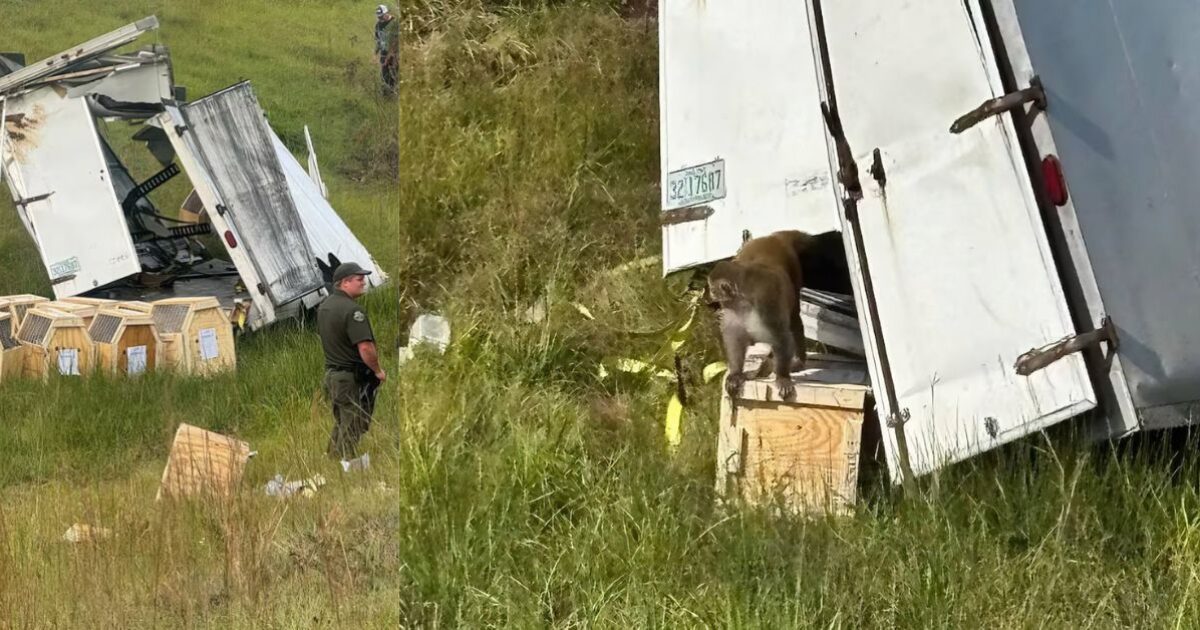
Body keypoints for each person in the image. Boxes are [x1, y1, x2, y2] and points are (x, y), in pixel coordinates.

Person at [317, 261, 386, 462]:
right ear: (345, 282)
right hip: (350, 377)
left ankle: (331, 458)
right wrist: (378, 370)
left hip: (333, 374)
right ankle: (344, 464)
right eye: (359, 279)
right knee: (354, 422)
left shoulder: (325, 307)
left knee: (342, 421)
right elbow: (365, 347)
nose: (363, 282)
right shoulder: (353, 311)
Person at [375, 4, 399, 96]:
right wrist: (375, 53)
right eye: (379, 17)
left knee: (395, 73)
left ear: (386, 13)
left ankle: (395, 93)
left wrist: (389, 56)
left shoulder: (394, 23)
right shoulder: (378, 25)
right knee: (384, 75)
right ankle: (386, 95)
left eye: (381, 16)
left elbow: (395, 41)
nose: (380, 19)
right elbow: (378, 40)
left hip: (395, 54)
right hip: (383, 53)